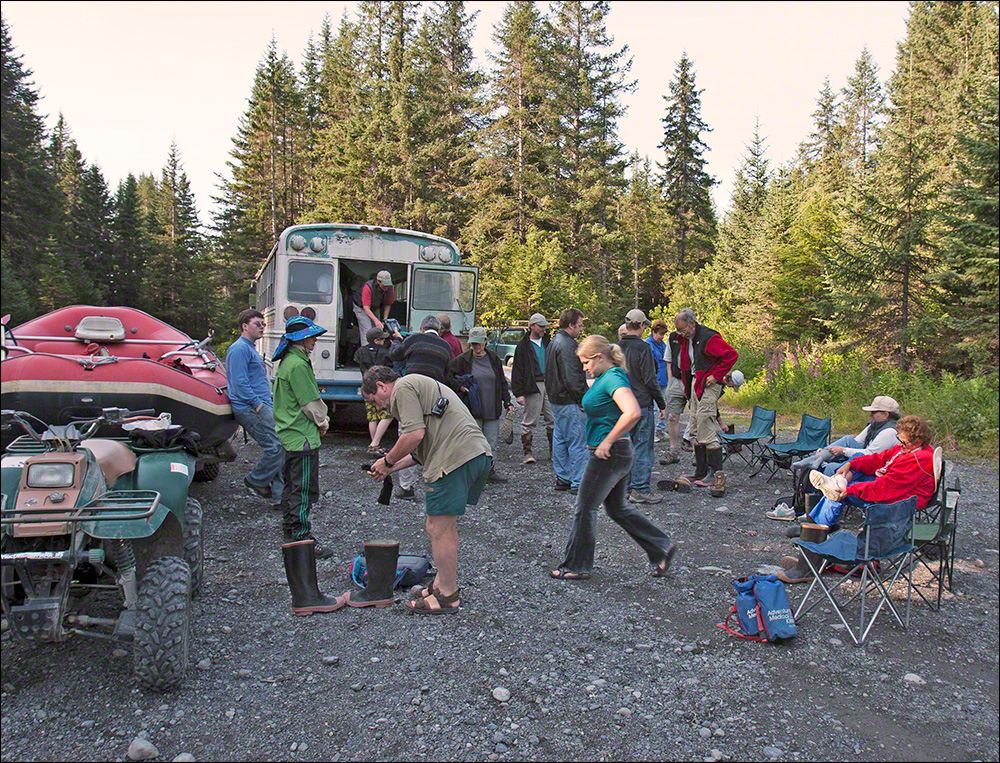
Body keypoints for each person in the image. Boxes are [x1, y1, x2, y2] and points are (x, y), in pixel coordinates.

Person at [364, 366, 492, 614]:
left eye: (373, 400)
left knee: (437, 528)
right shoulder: (417, 386)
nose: (378, 408)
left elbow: (414, 435)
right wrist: (389, 469)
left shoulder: (402, 388)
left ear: (381, 386)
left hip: (454, 459)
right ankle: (442, 584)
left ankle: (447, 596)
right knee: (444, 526)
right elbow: (418, 451)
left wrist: (387, 460)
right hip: (474, 454)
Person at [550, 335, 676, 581]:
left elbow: (633, 412)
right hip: (616, 452)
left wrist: (607, 440)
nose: (584, 368)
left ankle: (577, 565)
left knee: (585, 507)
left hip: (610, 452)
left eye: (586, 362)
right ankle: (661, 547)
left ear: (599, 357)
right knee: (617, 508)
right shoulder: (604, 378)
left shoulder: (613, 377)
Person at [779, 415, 936, 583]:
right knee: (842, 484)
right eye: (899, 439)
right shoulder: (905, 450)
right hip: (886, 492)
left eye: (904, 442)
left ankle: (809, 553)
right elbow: (877, 459)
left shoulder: (919, 460)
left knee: (836, 496)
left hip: (893, 506)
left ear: (918, 442)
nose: (899, 444)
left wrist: (850, 489)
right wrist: (851, 465)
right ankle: (812, 548)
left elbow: (885, 488)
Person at [768, 395, 902, 522]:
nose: (871, 415)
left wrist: (843, 451)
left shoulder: (889, 432)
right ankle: (808, 505)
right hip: (863, 464)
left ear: (885, 415)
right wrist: (835, 450)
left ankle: (814, 510)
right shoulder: (874, 427)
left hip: (873, 468)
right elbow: (857, 442)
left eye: (874, 412)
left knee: (829, 468)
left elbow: (870, 455)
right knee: (842, 446)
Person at [272, 316, 333, 558]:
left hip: (291, 434)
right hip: (302, 435)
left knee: (292, 485)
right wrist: (323, 422)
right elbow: (309, 401)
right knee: (303, 489)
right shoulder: (298, 365)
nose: (315, 340)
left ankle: (290, 529)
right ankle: (301, 537)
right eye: (312, 336)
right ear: (301, 338)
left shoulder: (288, 361)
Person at [387, 314, 453, 499]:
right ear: (439, 331)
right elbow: (447, 373)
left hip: (412, 394)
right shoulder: (446, 346)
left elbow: (394, 355)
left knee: (407, 436)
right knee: (433, 441)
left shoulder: (414, 339)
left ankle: (406, 487)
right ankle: (436, 481)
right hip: (435, 397)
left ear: (422, 328)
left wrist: (396, 340)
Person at [674, 308, 738, 495]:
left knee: (705, 425)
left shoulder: (708, 337)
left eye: (683, 329)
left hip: (708, 385)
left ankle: (716, 474)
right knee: (694, 426)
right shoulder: (688, 340)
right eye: (679, 331)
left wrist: (716, 375)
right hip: (696, 383)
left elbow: (731, 355)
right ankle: (700, 471)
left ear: (692, 324)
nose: (681, 334)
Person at [226, 309, 284, 506]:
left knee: (280, 446)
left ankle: (279, 497)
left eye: (263, 324)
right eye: (257, 324)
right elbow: (239, 383)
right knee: (276, 446)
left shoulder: (250, 348)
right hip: (250, 408)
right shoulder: (239, 349)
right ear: (244, 326)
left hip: (261, 404)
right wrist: (258, 404)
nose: (262, 327)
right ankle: (256, 480)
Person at [449, 326, 513, 483]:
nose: (476, 347)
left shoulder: (493, 359)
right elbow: (448, 374)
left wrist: (507, 402)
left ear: (485, 341)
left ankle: (489, 472)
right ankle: (475, 476)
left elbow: (501, 382)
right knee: (474, 443)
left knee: (491, 443)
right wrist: (460, 387)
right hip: (473, 408)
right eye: (473, 344)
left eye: (478, 343)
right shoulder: (464, 360)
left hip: (492, 408)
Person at [618, 309, 668, 504]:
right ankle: (640, 489)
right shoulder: (643, 348)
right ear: (641, 325)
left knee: (626, 447)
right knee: (643, 447)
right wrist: (661, 404)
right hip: (641, 404)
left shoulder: (617, 348)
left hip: (622, 405)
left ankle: (627, 487)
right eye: (645, 325)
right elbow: (650, 379)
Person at [545, 308, 589, 494]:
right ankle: (579, 482)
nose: (580, 329)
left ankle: (563, 477)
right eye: (579, 326)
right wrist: (582, 398)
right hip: (568, 400)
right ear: (570, 325)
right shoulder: (568, 346)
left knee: (560, 439)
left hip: (556, 399)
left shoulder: (554, 342)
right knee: (578, 441)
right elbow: (572, 378)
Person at [511, 313, 553, 465]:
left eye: (544, 326)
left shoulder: (549, 342)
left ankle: (553, 452)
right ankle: (527, 453)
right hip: (532, 385)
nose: (543, 329)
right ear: (532, 326)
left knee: (553, 419)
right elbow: (517, 370)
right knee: (529, 420)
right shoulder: (523, 346)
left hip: (549, 383)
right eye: (541, 326)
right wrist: (518, 393)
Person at [354, 327, 395, 455]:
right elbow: (391, 366)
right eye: (382, 339)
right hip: (380, 389)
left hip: (367, 387)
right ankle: (374, 444)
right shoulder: (386, 352)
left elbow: (356, 361)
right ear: (377, 340)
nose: (384, 341)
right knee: (387, 415)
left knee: (372, 417)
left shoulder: (360, 351)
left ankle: (374, 444)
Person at [657, 324, 688, 465]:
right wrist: (670, 381)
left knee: (697, 417)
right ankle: (673, 451)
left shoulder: (697, 337)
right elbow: (668, 360)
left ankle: (697, 453)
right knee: (672, 416)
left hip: (692, 379)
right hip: (676, 379)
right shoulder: (673, 337)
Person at [646, 320, 670, 444]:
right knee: (654, 408)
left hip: (664, 379)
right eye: (659, 334)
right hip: (654, 381)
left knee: (665, 406)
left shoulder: (663, 345)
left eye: (663, 335)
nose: (661, 337)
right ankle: (652, 432)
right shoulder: (648, 345)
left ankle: (660, 429)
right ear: (653, 332)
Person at [353, 270, 394, 338]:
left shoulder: (390, 287)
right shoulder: (368, 287)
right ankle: (367, 347)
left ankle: (377, 347)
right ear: (378, 281)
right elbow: (366, 308)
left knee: (378, 329)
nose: (386, 287)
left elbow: (388, 304)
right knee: (368, 330)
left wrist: (385, 320)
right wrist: (376, 321)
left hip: (374, 306)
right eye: (384, 285)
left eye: (388, 285)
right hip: (361, 307)